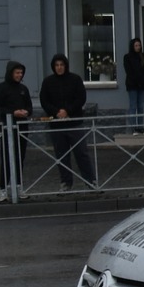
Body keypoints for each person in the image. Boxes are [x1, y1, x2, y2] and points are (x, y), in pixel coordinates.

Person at [39, 53, 96, 189]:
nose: (59, 67)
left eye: (61, 65)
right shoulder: (48, 82)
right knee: (61, 155)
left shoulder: (75, 79)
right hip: (56, 124)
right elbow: (44, 101)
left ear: (66, 66)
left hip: (74, 122)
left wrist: (68, 111)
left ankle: (90, 181)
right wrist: (56, 112)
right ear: (53, 67)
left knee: (81, 153)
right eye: (56, 65)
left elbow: (81, 98)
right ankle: (66, 182)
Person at [0, 61, 33, 193]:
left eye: (21, 73)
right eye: (17, 73)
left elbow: (29, 106)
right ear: (10, 73)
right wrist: (12, 113)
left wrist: (26, 112)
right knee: (7, 158)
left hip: (22, 127)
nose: (20, 75)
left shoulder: (23, 89)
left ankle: (19, 188)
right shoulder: (0, 88)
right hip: (7, 127)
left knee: (20, 157)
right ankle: (3, 189)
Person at [122, 37, 144, 132]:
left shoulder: (143, 56)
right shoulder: (127, 57)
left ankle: (140, 127)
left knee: (140, 106)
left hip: (142, 85)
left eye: (139, 45)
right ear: (132, 46)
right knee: (133, 106)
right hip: (132, 85)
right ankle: (133, 128)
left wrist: (143, 80)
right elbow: (129, 71)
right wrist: (137, 81)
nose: (138, 47)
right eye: (136, 45)